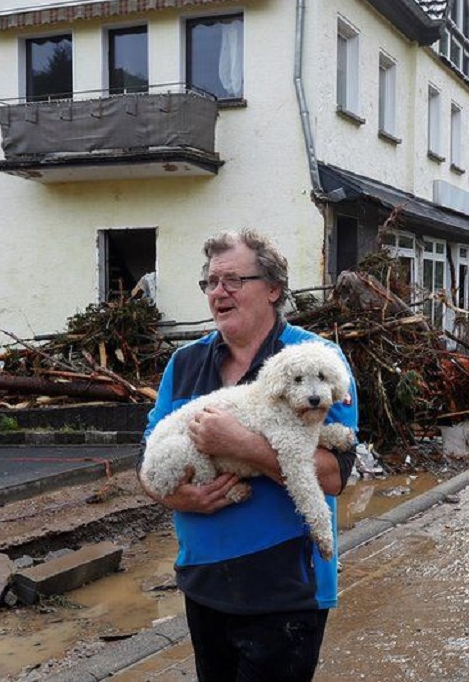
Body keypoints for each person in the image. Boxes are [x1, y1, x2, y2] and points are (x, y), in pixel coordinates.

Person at [141, 228, 358, 681]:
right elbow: (146, 461)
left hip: (285, 588)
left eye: (233, 281)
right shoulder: (183, 364)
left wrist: (242, 446)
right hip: (203, 581)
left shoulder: (315, 363)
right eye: (211, 283)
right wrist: (174, 497)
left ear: (273, 289)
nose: (219, 292)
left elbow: (335, 476)